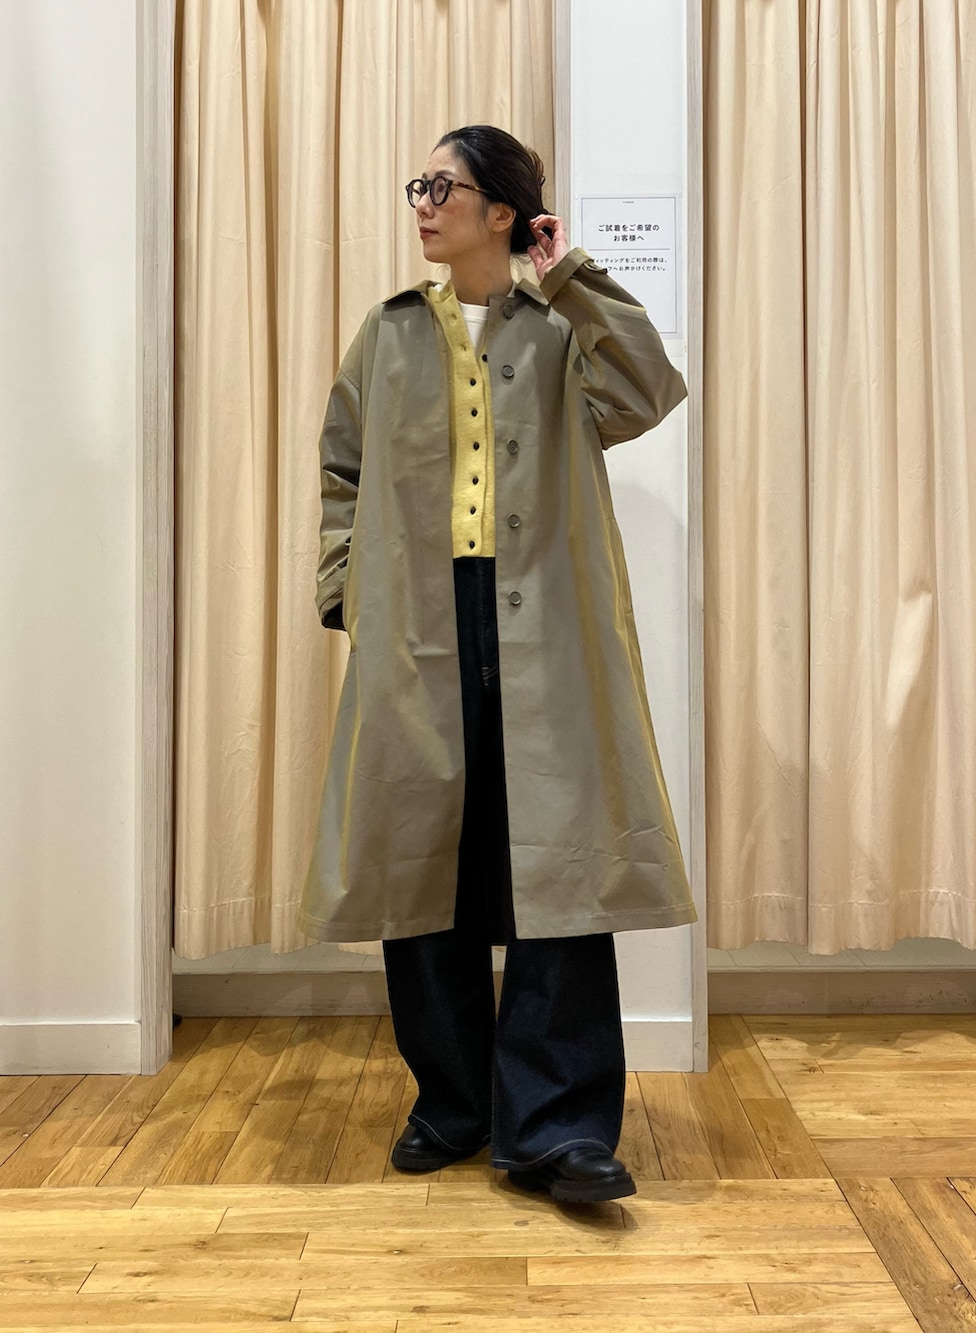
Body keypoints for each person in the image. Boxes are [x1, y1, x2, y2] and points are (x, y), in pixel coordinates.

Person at [297, 125, 697, 1203]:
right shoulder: (387, 333)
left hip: (544, 626)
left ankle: (559, 1128)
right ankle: (455, 1101)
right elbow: (343, 469)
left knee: (560, 866)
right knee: (421, 859)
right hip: (415, 625)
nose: (424, 203)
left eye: (445, 186)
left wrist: (571, 273)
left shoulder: (563, 327)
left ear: (503, 212)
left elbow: (647, 391)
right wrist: (345, 590)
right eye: (418, 184)